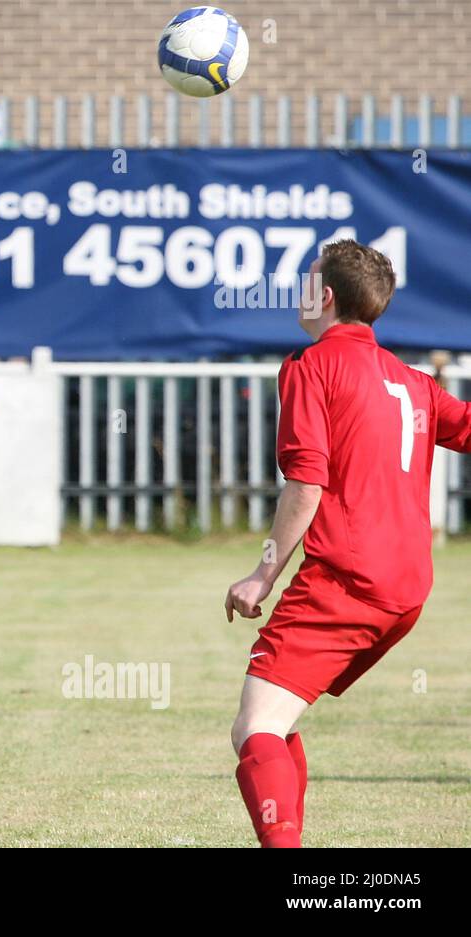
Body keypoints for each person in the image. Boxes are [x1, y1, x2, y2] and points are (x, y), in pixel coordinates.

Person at [223, 239, 471, 848]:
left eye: (308, 280)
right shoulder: (411, 381)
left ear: (325, 296)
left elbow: (306, 483)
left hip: (347, 580)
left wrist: (262, 574)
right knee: (275, 723)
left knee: (255, 727)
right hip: (407, 590)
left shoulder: (312, 367)